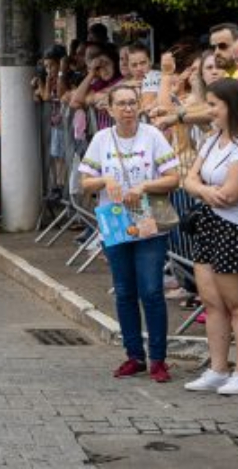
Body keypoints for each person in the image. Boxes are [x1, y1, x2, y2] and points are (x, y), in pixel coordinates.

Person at [79, 84, 180, 383]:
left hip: (149, 221)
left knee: (151, 290)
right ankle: (134, 355)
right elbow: (85, 182)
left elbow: (174, 178)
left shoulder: (152, 136)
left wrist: (145, 186)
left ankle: (159, 359)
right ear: (109, 110)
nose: (127, 109)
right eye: (120, 104)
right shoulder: (101, 139)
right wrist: (105, 179)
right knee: (124, 292)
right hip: (115, 222)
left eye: (132, 103)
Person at [182, 78, 238, 396]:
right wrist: (204, 190)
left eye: (214, 104)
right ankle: (218, 368)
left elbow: (230, 195)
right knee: (212, 301)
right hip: (210, 223)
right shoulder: (212, 139)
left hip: (237, 229)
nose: (209, 110)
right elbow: (189, 177)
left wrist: (201, 189)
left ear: (232, 106)